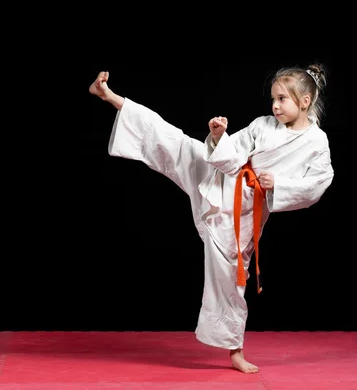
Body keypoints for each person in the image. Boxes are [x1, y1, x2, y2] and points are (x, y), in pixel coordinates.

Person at [88, 65, 334, 373]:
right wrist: (219, 137)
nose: (274, 105)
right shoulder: (263, 125)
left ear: (305, 101)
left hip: (241, 212)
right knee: (176, 142)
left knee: (231, 278)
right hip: (219, 179)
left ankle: (235, 352)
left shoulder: (316, 143)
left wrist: (280, 185)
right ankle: (110, 96)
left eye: (282, 99)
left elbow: (319, 182)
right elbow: (232, 157)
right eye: (273, 98)